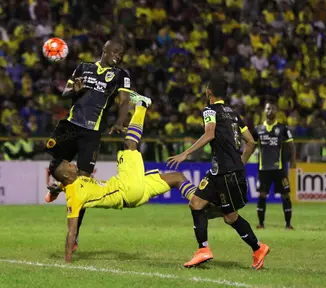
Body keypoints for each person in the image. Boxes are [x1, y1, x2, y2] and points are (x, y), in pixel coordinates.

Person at [50, 97, 199, 263]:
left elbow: (65, 186)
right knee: (129, 145)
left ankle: (200, 202)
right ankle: (142, 105)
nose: (72, 165)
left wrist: (56, 189)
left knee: (177, 177)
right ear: (66, 175)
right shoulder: (74, 196)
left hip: (135, 196)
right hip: (126, 188)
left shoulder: (71, 183)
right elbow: (71, 231)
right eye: (68, 165)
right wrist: (68, 261)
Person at [45, 39, 147, 250]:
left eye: (122, 53)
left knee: (82, 182)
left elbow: (124, 100)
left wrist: (120, 122)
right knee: (56, 164)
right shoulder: (84, 67)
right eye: (116, 51)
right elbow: (65, 92)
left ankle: (74, 237)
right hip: (70, 126)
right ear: (105, 49)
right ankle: (59, 187)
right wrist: (75, 90)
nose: (118, 55)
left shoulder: (121, 75)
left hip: (92, 132)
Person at [167, 76, 270, 270]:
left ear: (209, 91)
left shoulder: (209, 110)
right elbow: (251, 142)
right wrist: (239, 163)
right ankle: (203, 250)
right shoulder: (234, 114)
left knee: (230, 216)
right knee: (196, 203)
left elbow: (209, 134)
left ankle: (258, 247)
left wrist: (185, 153)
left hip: (225, 173)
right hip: (222, 171)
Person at [253, 100, 296, 229]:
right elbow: (250, 146)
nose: (270, 111)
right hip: (263, 169)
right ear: (264, 111)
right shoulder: (257, 129)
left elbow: (291, 146)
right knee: (262, 195)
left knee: (285, 195)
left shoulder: (283, 128)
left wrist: (293, 161)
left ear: (276, 111)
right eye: (268, 109)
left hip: (279, 169)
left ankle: (288, 224)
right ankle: (261, 224)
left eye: (272, 109)